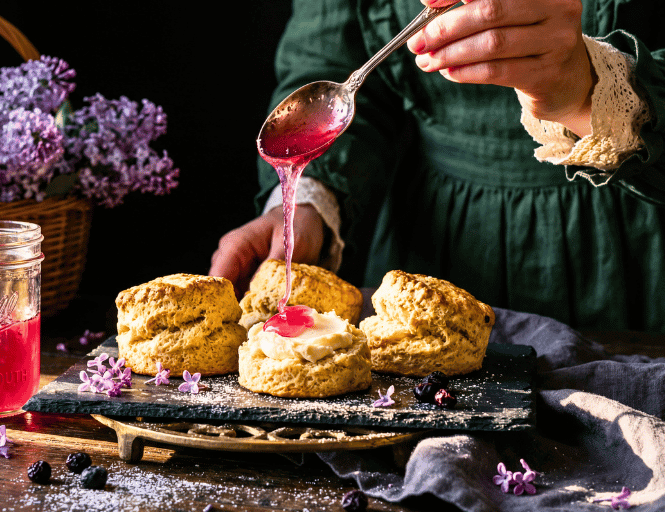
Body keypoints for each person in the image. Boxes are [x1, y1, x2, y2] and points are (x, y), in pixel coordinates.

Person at [209, 0, 665, 332]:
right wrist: (307, 204)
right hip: (432, 252)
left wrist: (587, 93)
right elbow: (333, 64)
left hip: (630, 257)